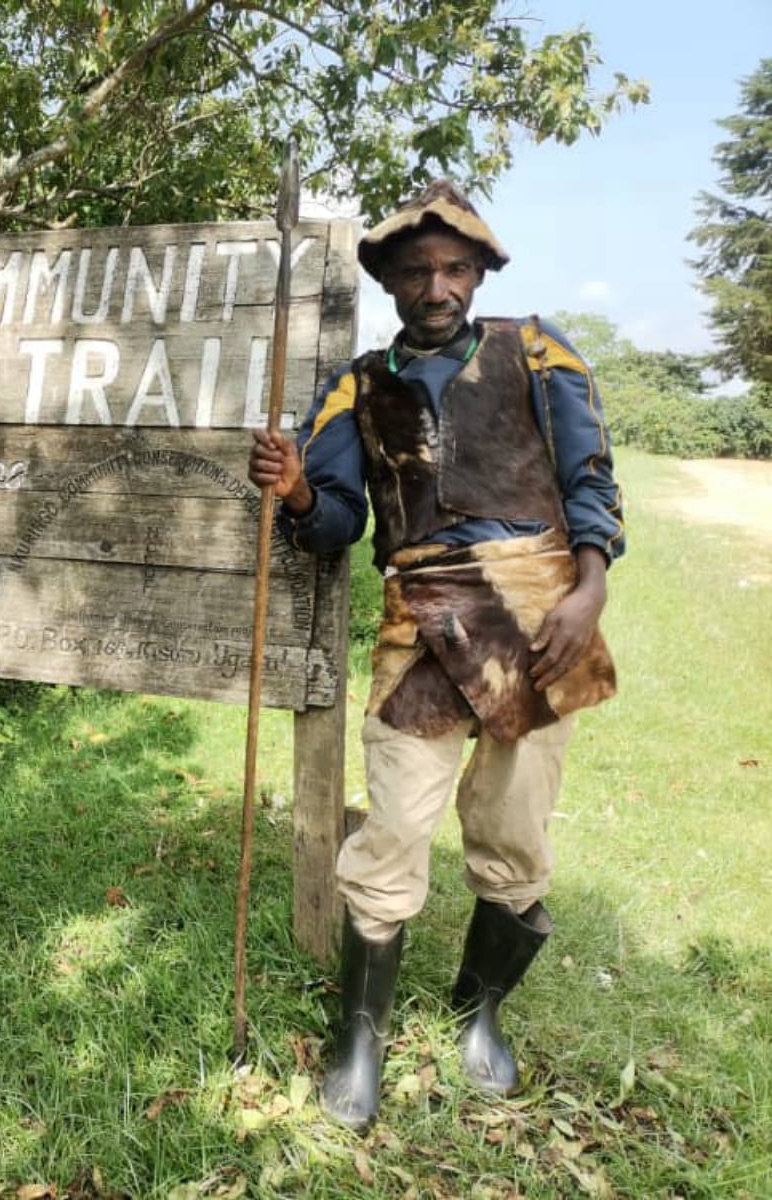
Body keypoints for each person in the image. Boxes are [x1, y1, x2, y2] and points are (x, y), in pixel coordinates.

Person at [247, 180, 623, 1132]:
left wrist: (589, 588)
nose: (437, 285)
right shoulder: (355, 386)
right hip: (422, 620)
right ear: (389, 281)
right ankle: (360, 1041)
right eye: (416, 271)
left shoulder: (538, 351)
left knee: (515, 827)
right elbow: (333, 526)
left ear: (481, 273)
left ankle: (480, 1012)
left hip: (541, 620)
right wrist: (295, 491)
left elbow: (589, 475)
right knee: (396, 826)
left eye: (455, 267)